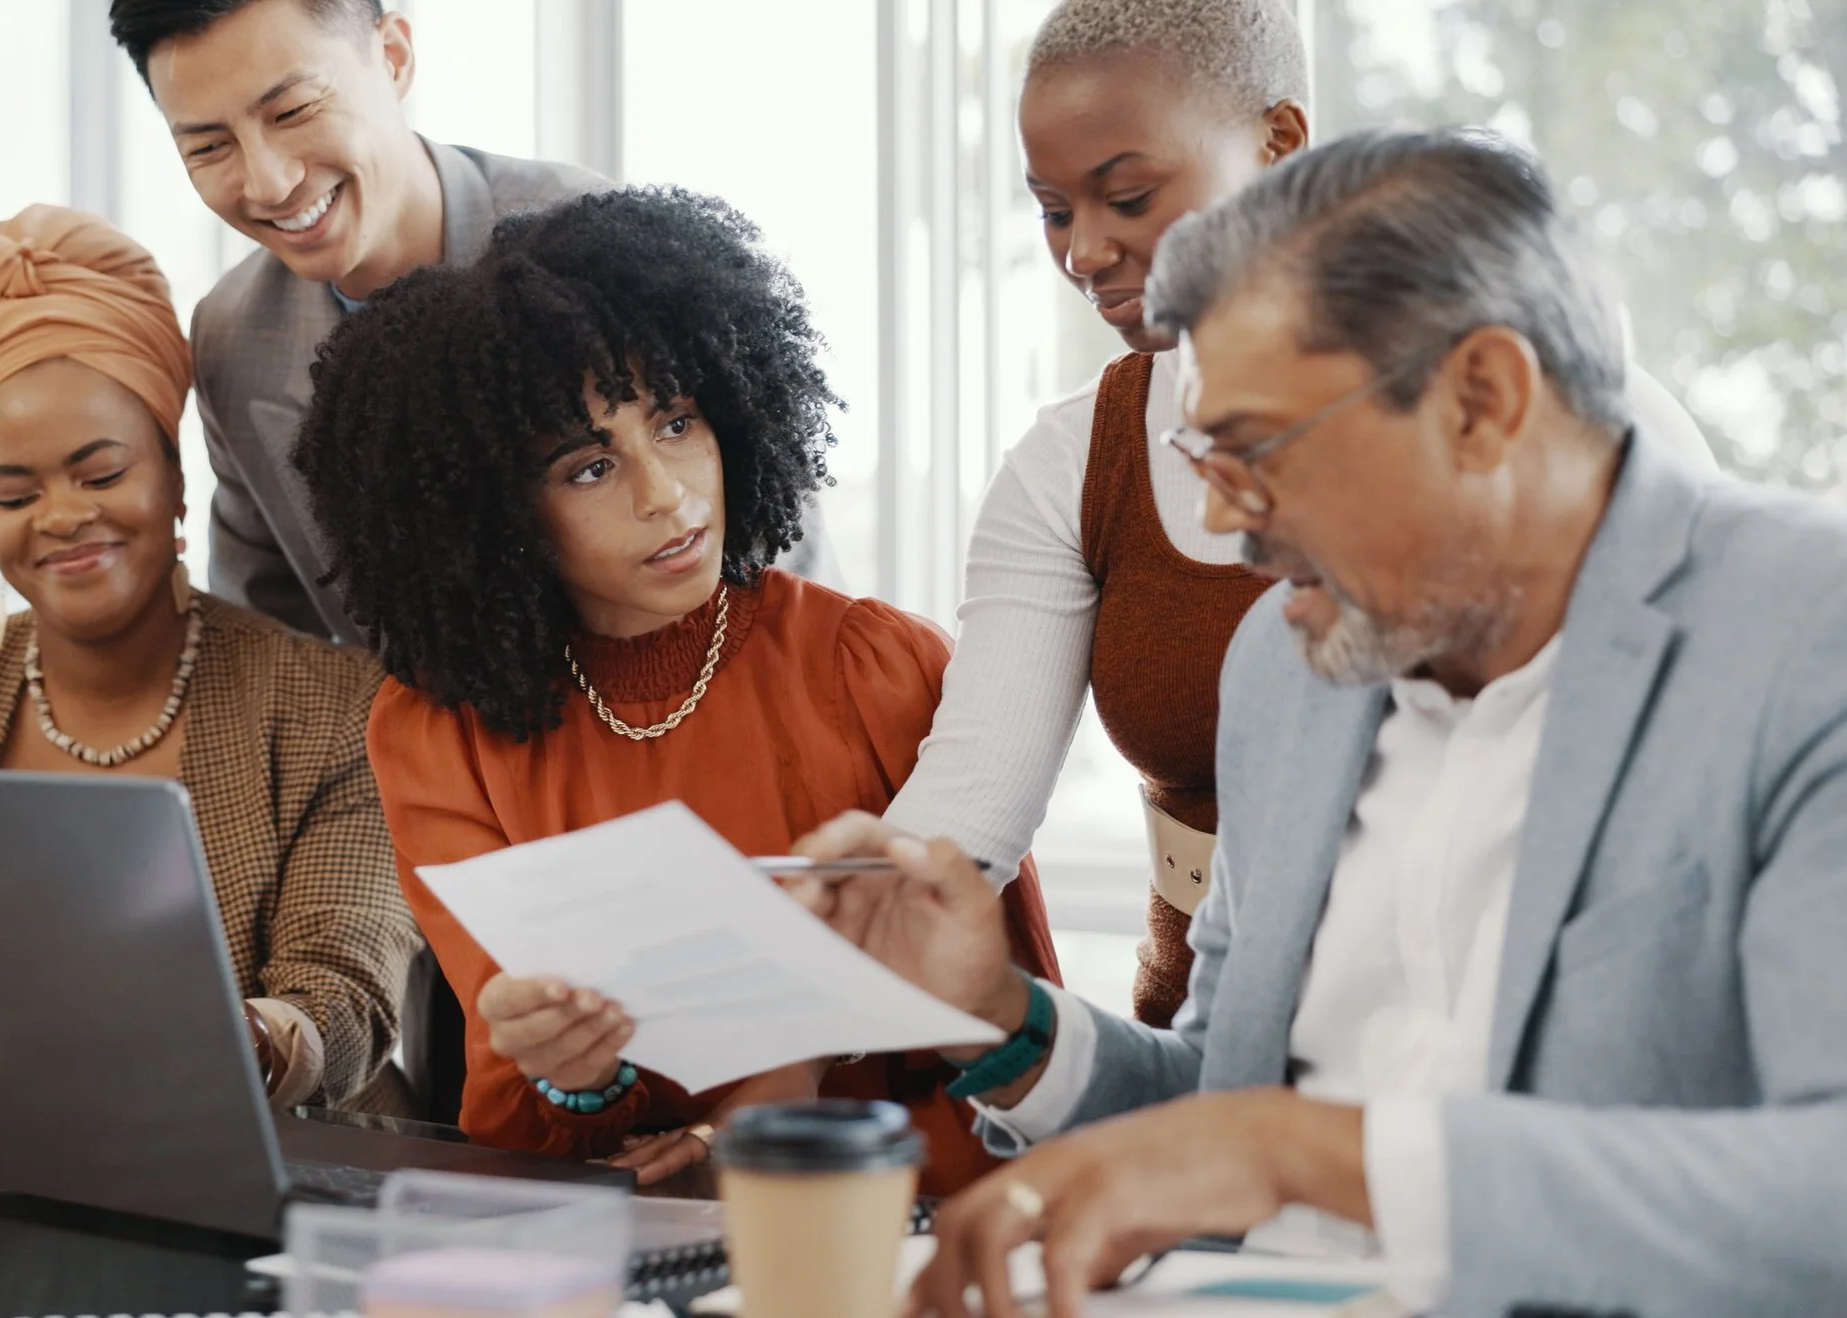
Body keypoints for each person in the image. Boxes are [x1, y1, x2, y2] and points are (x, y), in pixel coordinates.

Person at [790, 129, 1847, 1318]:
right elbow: (1217, 1110)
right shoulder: (1289, 672)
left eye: (1255, 455)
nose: (1229, 530)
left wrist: (1308, 1152)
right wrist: (1003, 1016)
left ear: (1480, 402)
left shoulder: (1806, 639)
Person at [882, 0, 1718, 1027]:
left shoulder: (1602, 441)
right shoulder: (1104, 492)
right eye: (1053, 210)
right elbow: (960, 819)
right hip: (1221, 1027)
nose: (1083, 252)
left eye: (1129, 195)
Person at [289, 186, 1061, 1196]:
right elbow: (526, 1111)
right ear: (490, 515)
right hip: (626, 1240)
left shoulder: (878, 666)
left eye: (677, 421)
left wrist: (739, 1128)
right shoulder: (436, 733)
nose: (668, 494)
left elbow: (1007, 1030)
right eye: (591, 466)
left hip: (899, 1223)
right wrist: (576, 1078)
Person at [0, 204, 419, 1115]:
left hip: (268, 1206)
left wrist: (247, 1040)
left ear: (175, 474)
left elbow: (346, 994)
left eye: (101, 474)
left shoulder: (332, 705)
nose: (63, 517)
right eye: (15, 493)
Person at [106, 0, 826, 644]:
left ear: (393, 58)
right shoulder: (233, 337)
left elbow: (778, 555)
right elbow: (274, 641)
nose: (267, 181)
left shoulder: (597, 250)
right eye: (208, 147)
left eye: (291, 112)